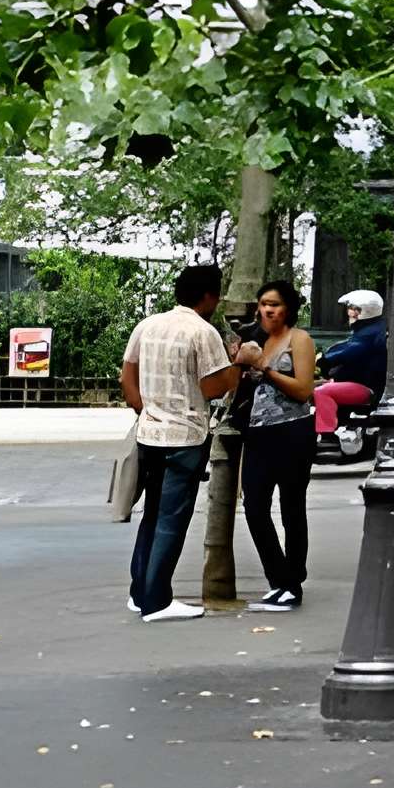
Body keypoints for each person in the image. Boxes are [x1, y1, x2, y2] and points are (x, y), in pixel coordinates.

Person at [118, 266, 241, 622]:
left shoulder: (147, 325)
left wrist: (146, 410)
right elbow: (214, 388)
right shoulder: (203, 332)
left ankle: (139, 591)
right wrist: (237, 364)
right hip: (185, 437)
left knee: (152, 514)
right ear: (208, 296)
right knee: (172, 518)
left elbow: (128, 376)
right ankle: (157, 601)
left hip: (149, 434)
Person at [230, 279, 319, 611]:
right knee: (254, 507)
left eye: (275, 304)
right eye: (264, 303)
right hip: (258, 433)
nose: (268, 309)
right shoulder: (256, 340)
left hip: (293, 431)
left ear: (289, 308)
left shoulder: (299, 340)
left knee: (292, 508)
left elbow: (303, 390)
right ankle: (278, 577)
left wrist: (265, 370)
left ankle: (293, 583)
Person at [314, 289, 386, 444]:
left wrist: (325, 359)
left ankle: (327, 437)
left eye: (354, 309)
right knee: (317, 386)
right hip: (357, 382)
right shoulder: (368, 330)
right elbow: (347, 346)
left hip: (365, 386)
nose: (349, 312)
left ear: (365, 312)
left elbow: (351, 350)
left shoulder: (369, 334)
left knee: (322, 392)